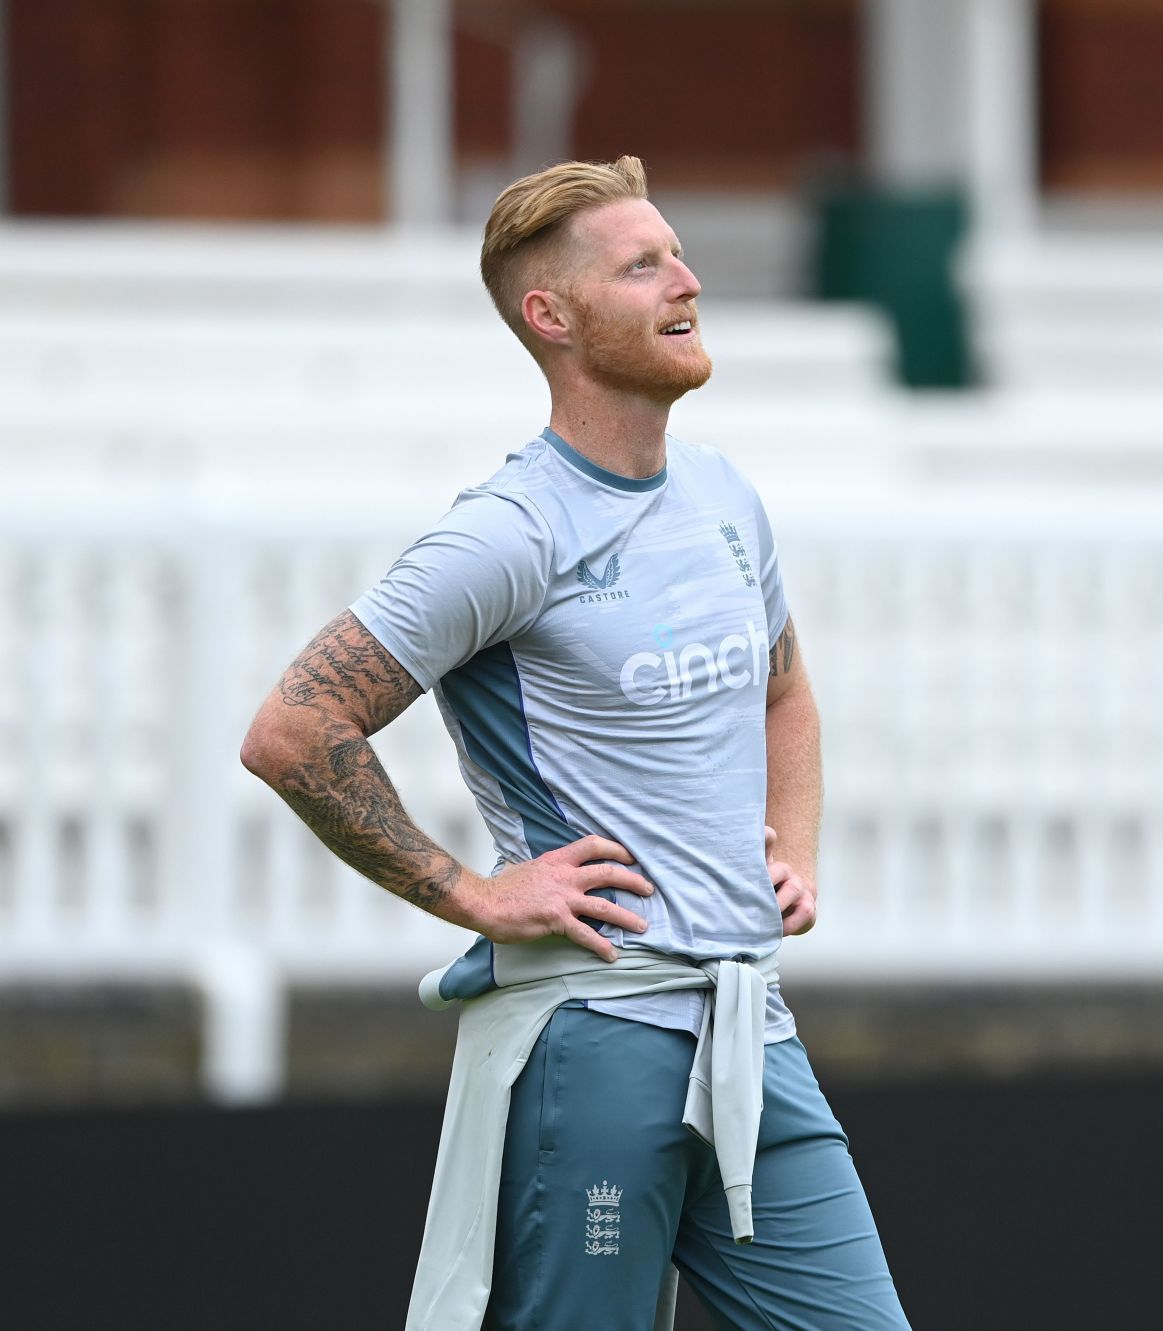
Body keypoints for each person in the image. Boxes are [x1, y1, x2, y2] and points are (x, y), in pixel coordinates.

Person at [240, 156, 910, 1331]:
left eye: (679, 252)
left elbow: (785, 692)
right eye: (641, 264)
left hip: (752, 1031)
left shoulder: (721, 495)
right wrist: (470, 892)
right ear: (550, 316)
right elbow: (294, 729)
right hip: (597, 1048)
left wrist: (791, 845)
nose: (686, 280)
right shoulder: (508, 533)